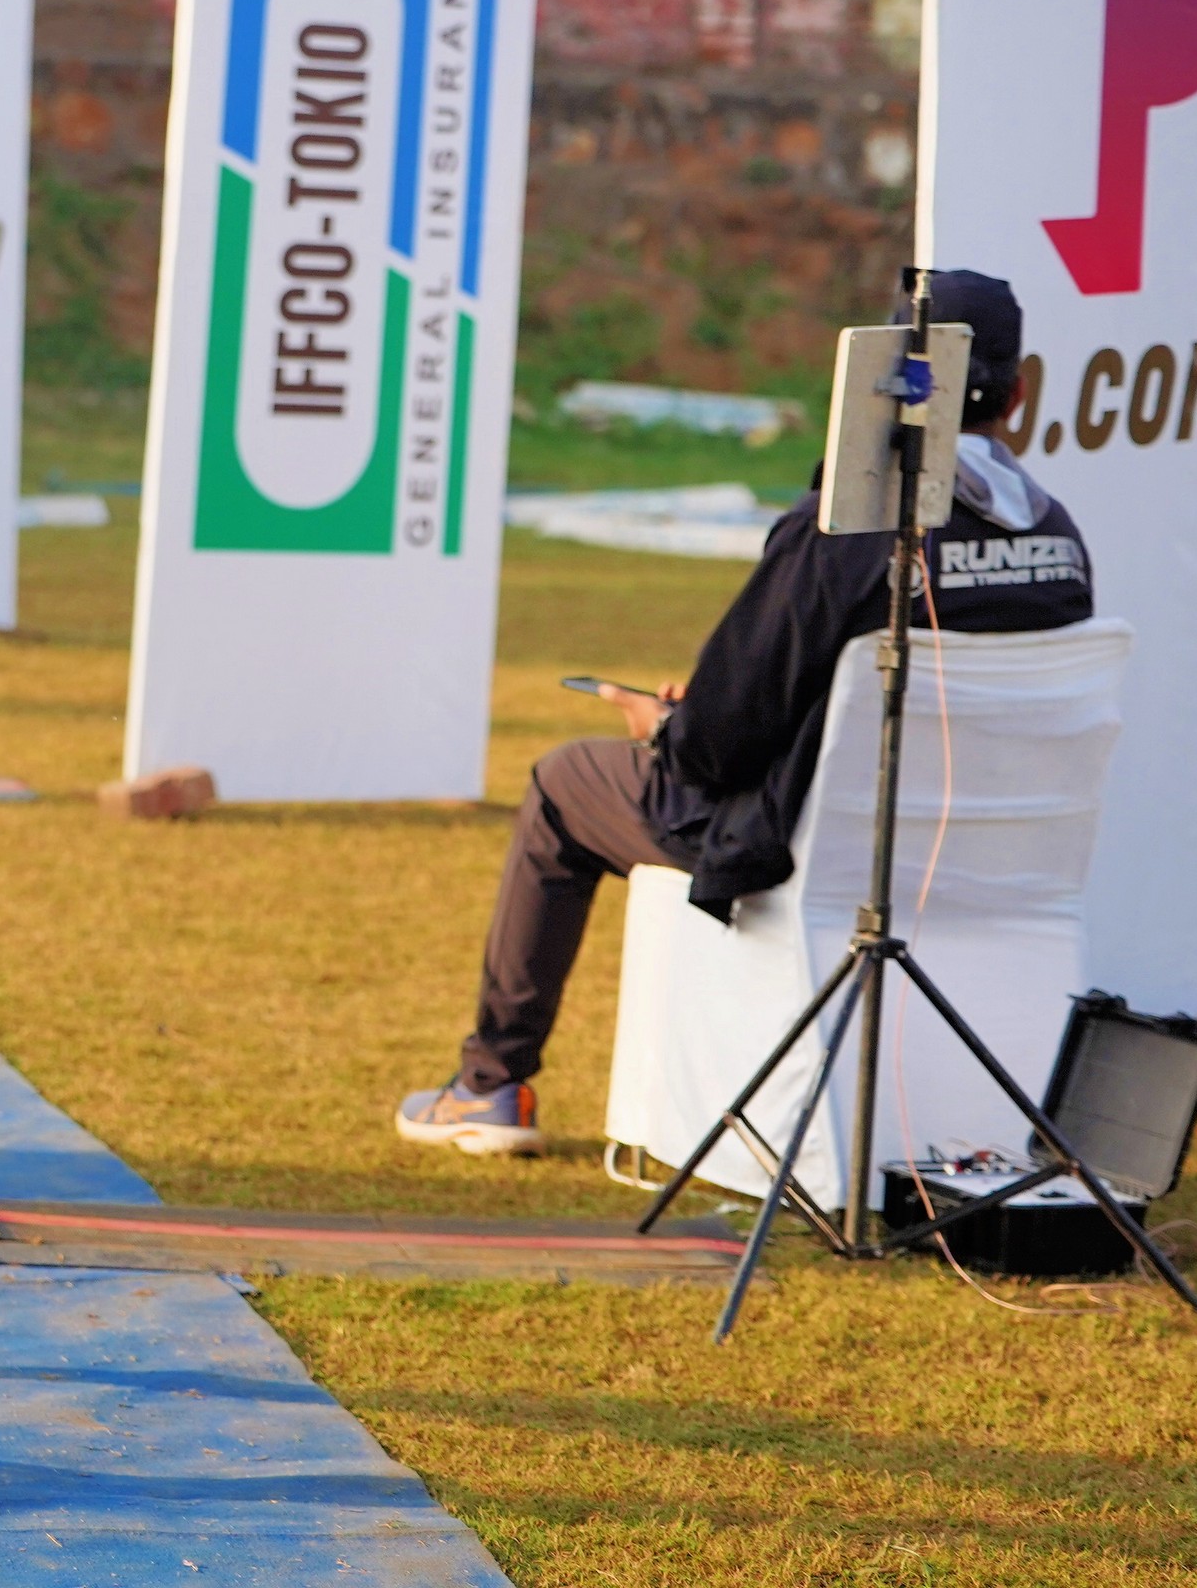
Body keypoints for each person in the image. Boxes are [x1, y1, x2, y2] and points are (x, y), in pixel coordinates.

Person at [396, 270, 1096, 1158]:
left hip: (817, 847)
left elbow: (718, 746)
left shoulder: (846, 528)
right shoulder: (1060, 543)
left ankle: (489, 1085)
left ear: (880, 382)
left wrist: (667, 728)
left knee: (565, 782)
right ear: (1020, 395)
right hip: (987, 857)